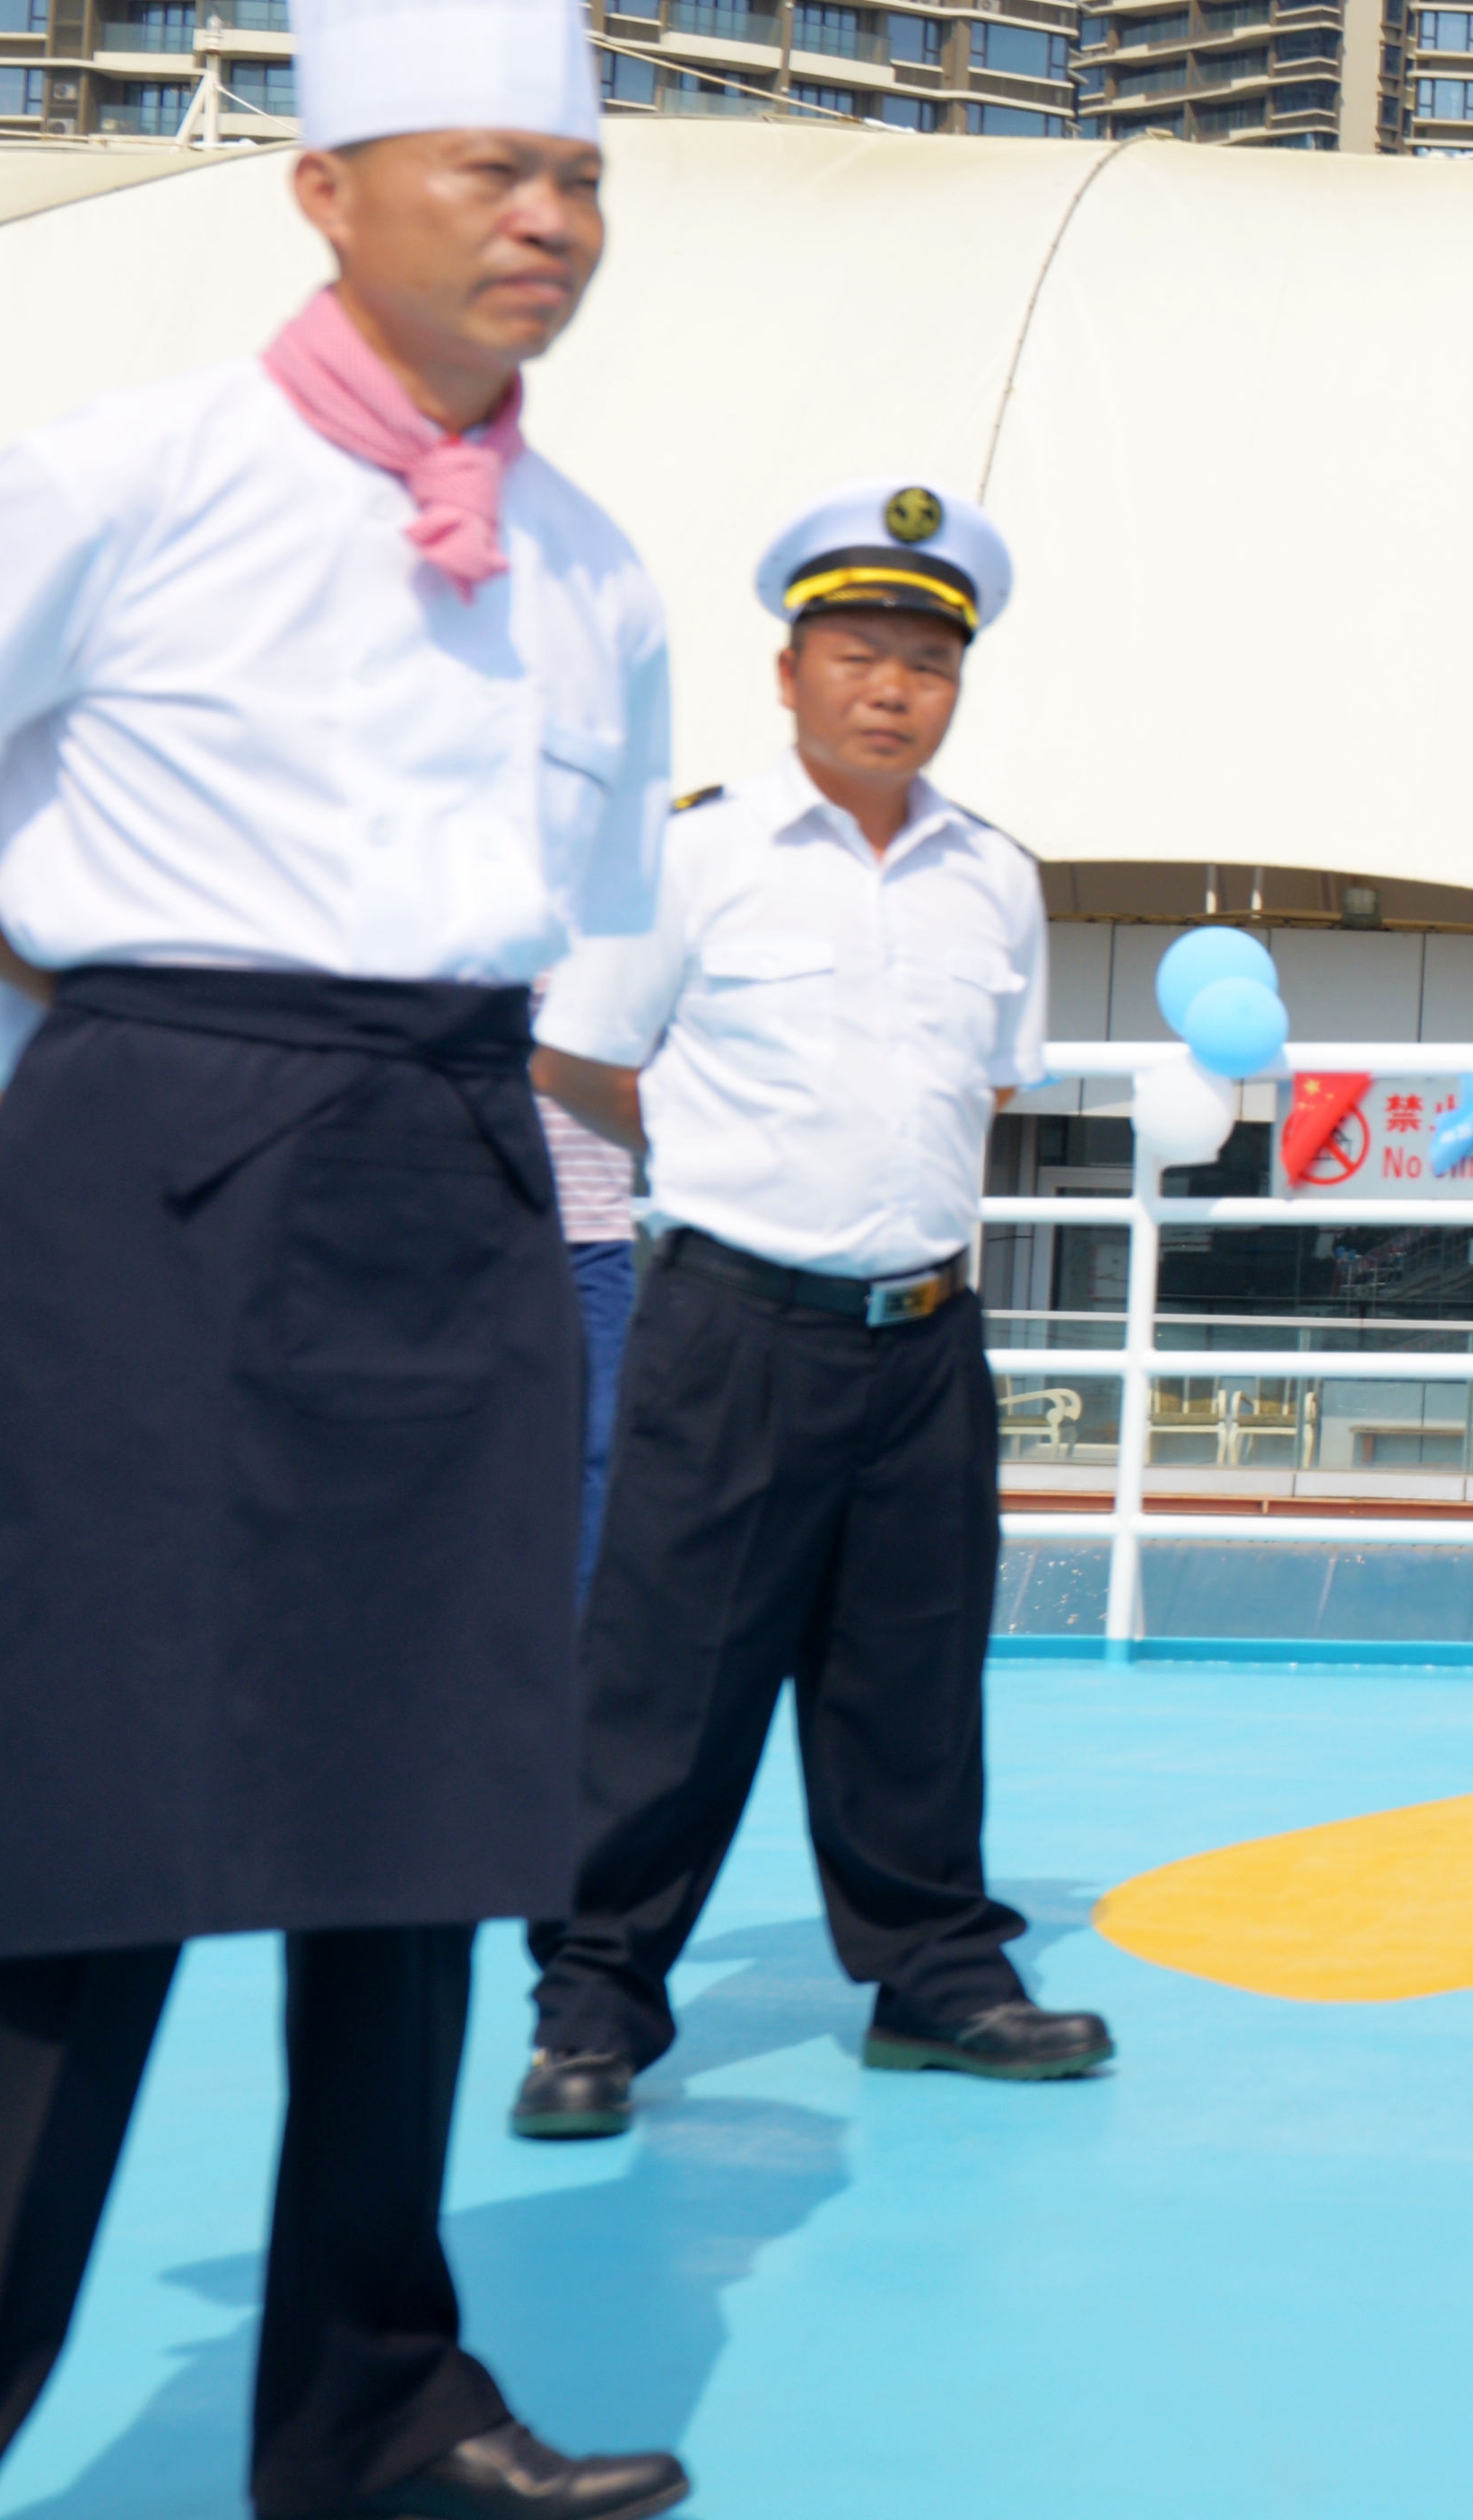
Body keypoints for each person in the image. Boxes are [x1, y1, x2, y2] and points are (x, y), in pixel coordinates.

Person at [0, 0, 688, 2520]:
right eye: (492, 172)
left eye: (579, 180)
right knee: (52, 1840)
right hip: (152, 1144)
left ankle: (373, 2404)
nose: (546, 221)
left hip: (445, 1158)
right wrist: (84, 1007)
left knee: (422, 1830)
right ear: (326, 186)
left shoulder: (600, 562)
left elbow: (588, 918)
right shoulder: (121, 472)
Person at [512, 484, 1100, 2139]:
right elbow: (577, 1053)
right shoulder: (694, 854)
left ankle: (935, 1974)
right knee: (668, 1681)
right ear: (789, 672)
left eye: (927, 657)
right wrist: (714, 1166)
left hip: (923, 1337)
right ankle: (596, 2000)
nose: (892, 685)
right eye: (859, 650)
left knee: (911, 1674)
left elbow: (986, 1085)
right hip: (730, 1324)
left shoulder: (998, 877)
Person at [542, 1051, 641, 1612]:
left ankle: (577, 1656)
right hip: (480, 1218)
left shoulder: (618, 959)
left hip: (594, 1232)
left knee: (599, 1443)